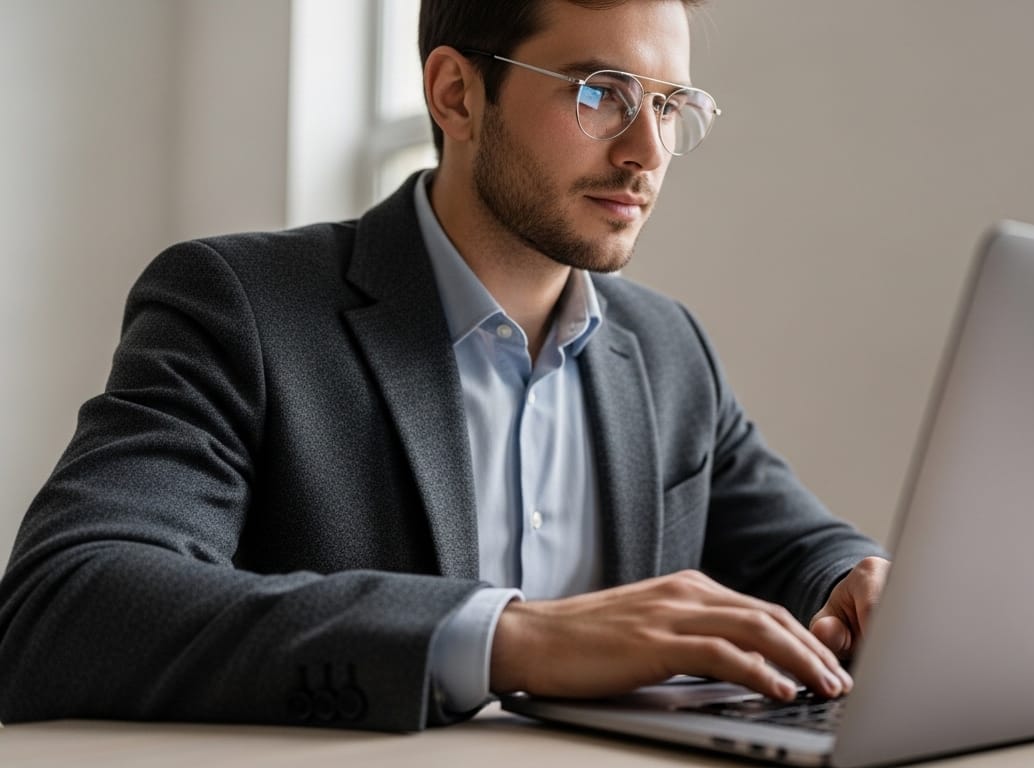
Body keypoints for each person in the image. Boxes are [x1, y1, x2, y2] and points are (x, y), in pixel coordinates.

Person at [0, 0, 889, 731]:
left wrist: (855, 582)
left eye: (666, 105)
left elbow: (796, 545)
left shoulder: (668, 349)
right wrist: (512, 639)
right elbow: (64, 607)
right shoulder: (239, 305)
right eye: (598, 92)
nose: (646, 153)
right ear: (456, 94)